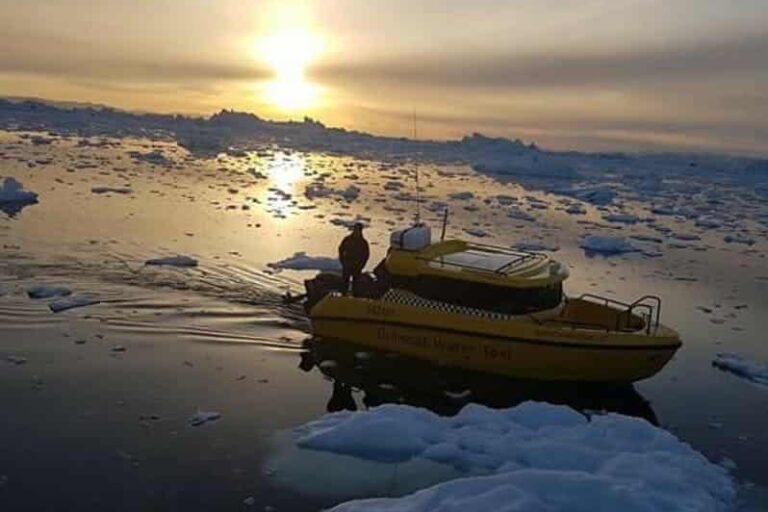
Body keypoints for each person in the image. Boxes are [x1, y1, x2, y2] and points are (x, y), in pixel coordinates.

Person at [338, 222, 370, 294]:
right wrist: (342, 261)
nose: (356, 231)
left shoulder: (363, 242)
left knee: (357, 285)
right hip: (347, 265)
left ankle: (355, 297)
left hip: (357, 266)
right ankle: (343, 297)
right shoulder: (347, 239)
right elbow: (341, 249)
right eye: (355, 229)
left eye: (358, 230)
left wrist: (362, 265)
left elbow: (366, 255)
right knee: (344, 284)